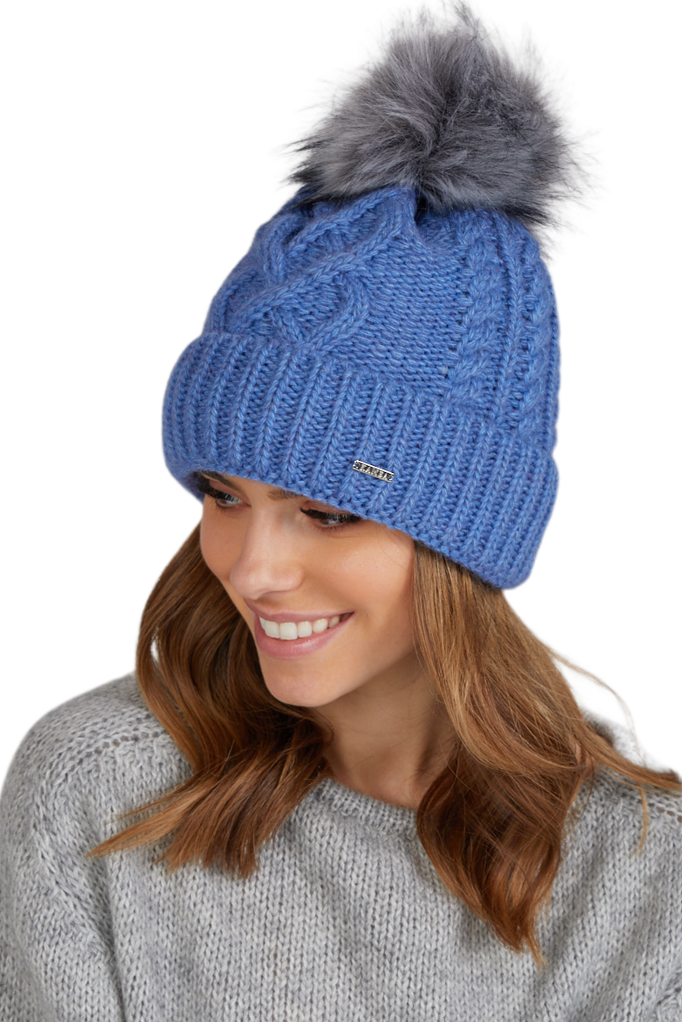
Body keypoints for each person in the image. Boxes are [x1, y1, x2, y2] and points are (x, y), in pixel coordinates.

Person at [1, 6, 681, 1020]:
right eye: (224, 495)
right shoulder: (98, 790)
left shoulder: (643, 876)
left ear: (465, 535)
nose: (252, 568)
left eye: (325, 512)